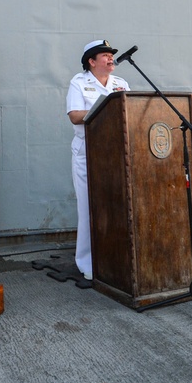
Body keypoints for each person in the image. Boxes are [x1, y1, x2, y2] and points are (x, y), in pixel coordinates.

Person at [66, 39, 130, 279]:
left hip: (117, 153)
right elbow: (74, 116)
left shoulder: (121, 84)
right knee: (89, 208)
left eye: (111, 55)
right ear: (91, 62)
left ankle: (114, 258)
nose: (110, 58)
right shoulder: (79, 82)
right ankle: (87, 263)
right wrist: (105, 109)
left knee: (116, 206)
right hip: (89, 153)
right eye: (104, 55)